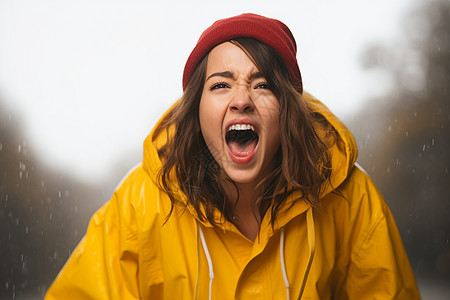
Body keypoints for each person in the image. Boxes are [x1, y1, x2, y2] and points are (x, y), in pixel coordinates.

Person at [45, 13, 420, 299]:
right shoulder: (141, 203)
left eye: (263, 85)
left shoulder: (347, 197)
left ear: (288, 108)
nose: (241, 99)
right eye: (221, 84)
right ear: (196, 109)